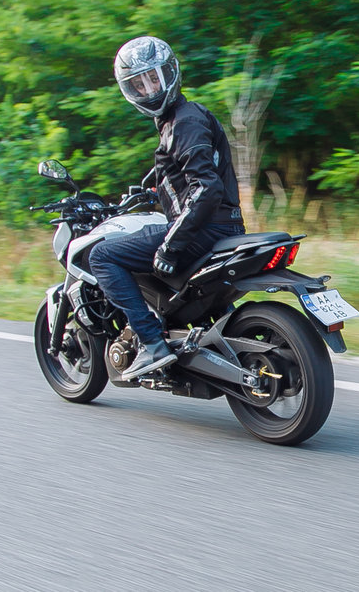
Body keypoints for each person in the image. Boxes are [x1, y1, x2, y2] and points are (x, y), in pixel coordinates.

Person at [89, 36, 245, 381]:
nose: (149, 89)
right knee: (146, 239)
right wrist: (150, 189)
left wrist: (171, 246)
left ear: (171, 72)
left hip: (203, 230)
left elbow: (205, 188)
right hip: (222, 226)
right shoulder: (184, 118)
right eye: (138, 84)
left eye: (154, 78)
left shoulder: (183, 122)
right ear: (130, 91)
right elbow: (185, 175)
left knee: (102, 256)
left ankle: (151, 343)